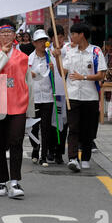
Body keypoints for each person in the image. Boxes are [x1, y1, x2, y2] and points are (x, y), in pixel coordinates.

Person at [0, 18, 34, 199]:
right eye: (3, 33)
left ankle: (15, 181)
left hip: (18, 105)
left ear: (14, 34)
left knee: (16, 142)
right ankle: (2, 181)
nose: (6, 36)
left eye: (9, 32)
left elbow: (29, 83)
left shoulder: (23, 57)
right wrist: (2, 55)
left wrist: (31, 109)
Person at [53, 23, 107, 172]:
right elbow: (63, 73)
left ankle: (85, 158)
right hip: (73, 95)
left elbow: (101, 75)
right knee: (73, 127)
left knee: (88, 130)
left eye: (74, 34)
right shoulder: (69, 51)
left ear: (81, 34)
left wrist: (82, 77)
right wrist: (57, 59)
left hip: (91, 97)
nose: (72, 37)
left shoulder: (95, 51)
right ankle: (72, 158)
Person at [28, 29, 60, 167]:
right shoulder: (29, 59)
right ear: (34, 43)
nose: (42, 43)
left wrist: (54, 68)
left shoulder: (51, 57)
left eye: (44, 41)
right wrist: (31, 75)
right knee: (33, 126)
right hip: (34, 97)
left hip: (48, 97)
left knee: (46, 127)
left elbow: (59, 76)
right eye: (39, 41)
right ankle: (35, 149)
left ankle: (44, 156)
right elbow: (25, 77)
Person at [47, 25, 70, 164]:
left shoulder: (68, 50)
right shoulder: (47, 52)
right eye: (56, 38)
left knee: (63, 125)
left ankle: (59, 153)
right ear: (51, 39)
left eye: (61, 37)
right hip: (51, 93)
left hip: (65, 93)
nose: (60, 40)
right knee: (52, 125)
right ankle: (50, 150)